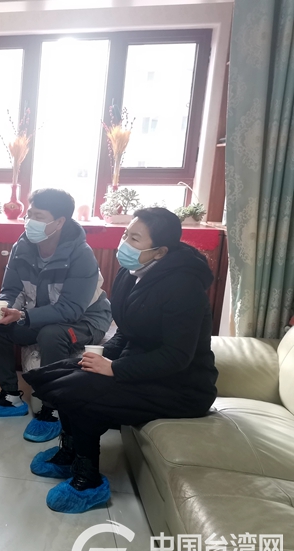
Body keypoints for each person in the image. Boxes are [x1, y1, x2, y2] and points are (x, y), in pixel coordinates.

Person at [25, 207, 218, 513]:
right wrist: (100, 356)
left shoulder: (184, 287)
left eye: (135, 238)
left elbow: (177, 357)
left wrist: (114, 368)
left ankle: (88, 480)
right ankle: (71, 452)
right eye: (126, 233)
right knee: (59, 375)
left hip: (180, 387)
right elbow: (126, 331)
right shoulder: (132, 274)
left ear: (160, 251)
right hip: (141, 367)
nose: (124, 242)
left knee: (80, 391)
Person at [0, 188, 112, 444]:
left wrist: (23, 316)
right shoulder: (22, 246)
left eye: (38, 216)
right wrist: (4, 311)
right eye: (29, 214)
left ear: (59, 222)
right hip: (40, 314)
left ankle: (52, 409)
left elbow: (71, 309)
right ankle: (10, 397)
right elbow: (11, 289)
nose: (30, 221)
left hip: (86, 320)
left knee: (51, 334)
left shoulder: (81, 255)